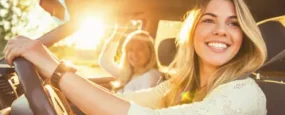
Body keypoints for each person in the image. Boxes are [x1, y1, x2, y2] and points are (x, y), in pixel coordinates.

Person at [3, 0, 268, 114]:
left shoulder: (244, 95)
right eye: (209, 20)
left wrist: (53, 67)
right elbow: (119, 103)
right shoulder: (182, 85)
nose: (221, 30)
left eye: (233, 23)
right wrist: (63, 100)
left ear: (244, 36)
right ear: (193, 32)